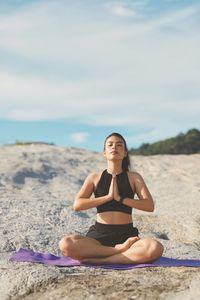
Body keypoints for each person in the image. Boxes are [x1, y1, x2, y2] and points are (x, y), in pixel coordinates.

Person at [59, 132, 164, 264]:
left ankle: (103, 260)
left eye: (119, 145)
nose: (114, 147)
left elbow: (149, 206)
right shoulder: (94, 177)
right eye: (110, 145)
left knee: (154, 247)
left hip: (127, 235)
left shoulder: (134, 177)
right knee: (66, 244)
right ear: (104, 152)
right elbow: (77, 205)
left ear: (125, 153)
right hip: (98, 237)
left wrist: (120, 199)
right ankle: (118, 251)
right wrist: (108, 197)